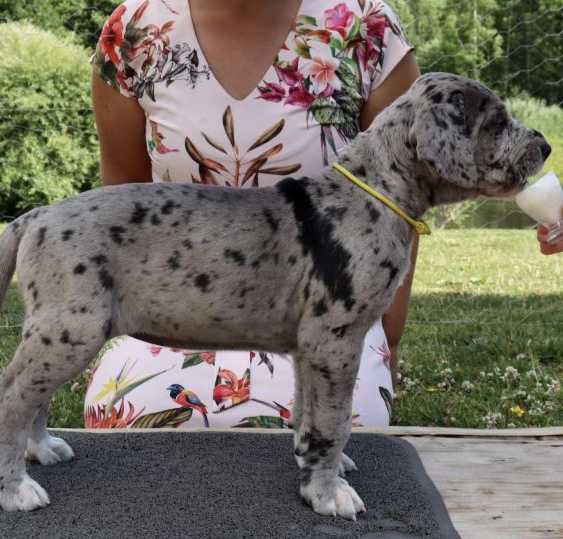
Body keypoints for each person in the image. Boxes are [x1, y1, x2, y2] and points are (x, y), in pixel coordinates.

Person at [84, 0, 421, 429]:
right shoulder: (134, 31)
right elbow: (120, 213)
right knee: (124, 424)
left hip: (325, 314)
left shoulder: (366, 27)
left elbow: (397, 208)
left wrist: (386, 346)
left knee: (347, 426)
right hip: (166, 316)